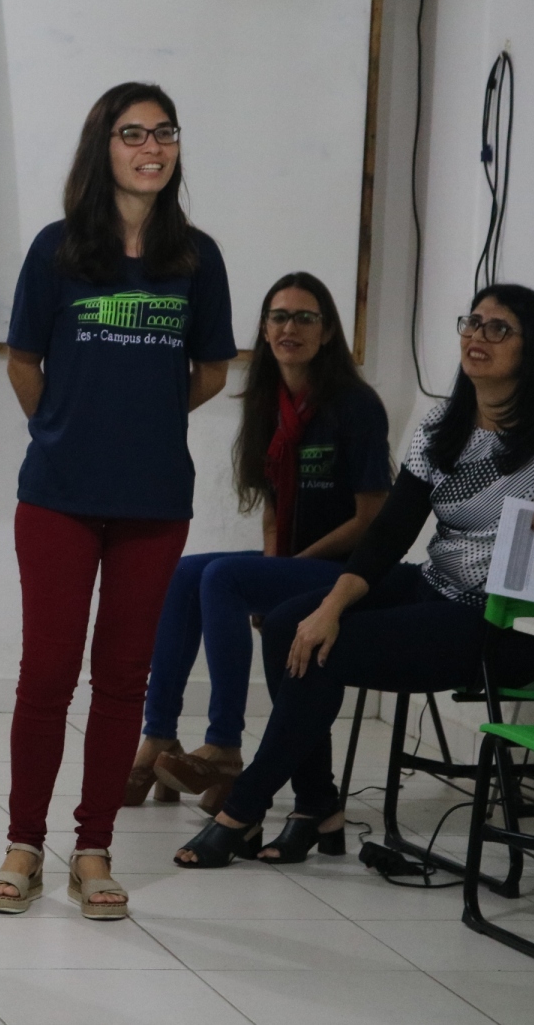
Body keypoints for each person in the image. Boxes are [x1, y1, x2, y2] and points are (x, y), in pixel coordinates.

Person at [175, 284, 534, 867]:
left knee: (325, 652)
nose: (477, 337)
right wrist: (331, 605)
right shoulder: (443, 425)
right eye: (472, 323)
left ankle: (243, 809)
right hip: (433, 586)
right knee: (292, 626)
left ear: (531, 347)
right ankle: (316, 806)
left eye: (498, 329)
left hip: (502, 622)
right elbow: (389, 532)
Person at [0, 82, 237, 918]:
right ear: (103, 147)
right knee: (47, 675)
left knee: (124, 678)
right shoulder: (57, 249)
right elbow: (23, 361)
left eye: (164, 132)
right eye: (132, 134)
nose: (151, 147)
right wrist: (64, 426)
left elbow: (210, 370)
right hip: (56, 495)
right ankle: (24, 844)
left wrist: (145, 421)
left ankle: (92, 848)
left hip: (154, 499)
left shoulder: (196, 257)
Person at [126, 273, 390, 814]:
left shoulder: (356, 405)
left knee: (224, 577)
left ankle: (224, 745)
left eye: (305, 318)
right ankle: (159, 735)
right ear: (266, 330)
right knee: (186, 572)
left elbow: (372, 518)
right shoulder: (270, 403)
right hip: (294, 560)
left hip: (346, 570)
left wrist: (287, 569)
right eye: (279, 317)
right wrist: (274, 567)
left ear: (327, 332)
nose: (290, 328)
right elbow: (272, 505)